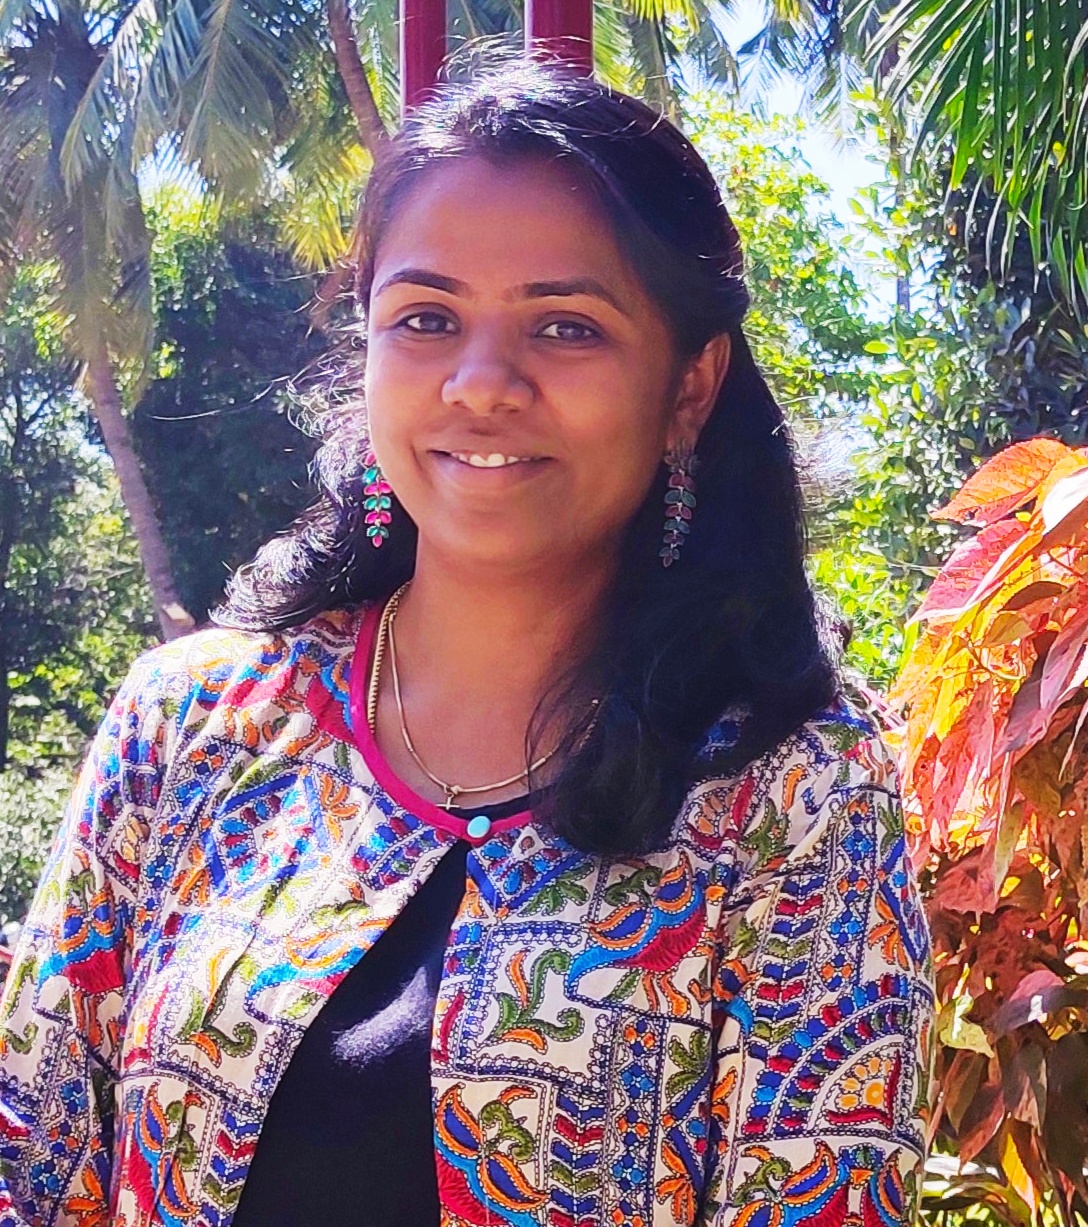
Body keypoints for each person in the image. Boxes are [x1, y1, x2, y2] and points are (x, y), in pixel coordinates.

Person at [0, 59, 933, 1227]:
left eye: (565, 327)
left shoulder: (794, 790)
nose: (481, 385)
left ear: (688, 385)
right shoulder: (191, 726)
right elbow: (31, 1159)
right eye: (426, 319)